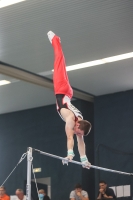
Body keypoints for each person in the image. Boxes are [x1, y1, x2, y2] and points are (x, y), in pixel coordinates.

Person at [47, 31, 92, 167]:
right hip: (62, 89)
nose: (77, 133)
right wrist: (70, 153)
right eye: (78, 131)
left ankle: (56, 42)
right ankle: (55, 40)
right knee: (60, 61)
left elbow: (81, 142)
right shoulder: (71, 119)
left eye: (79, 132)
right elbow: (69, 137)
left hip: (67, 93)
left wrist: (84, 160)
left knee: (60, 65)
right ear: (78, 125)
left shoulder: (80, 122)